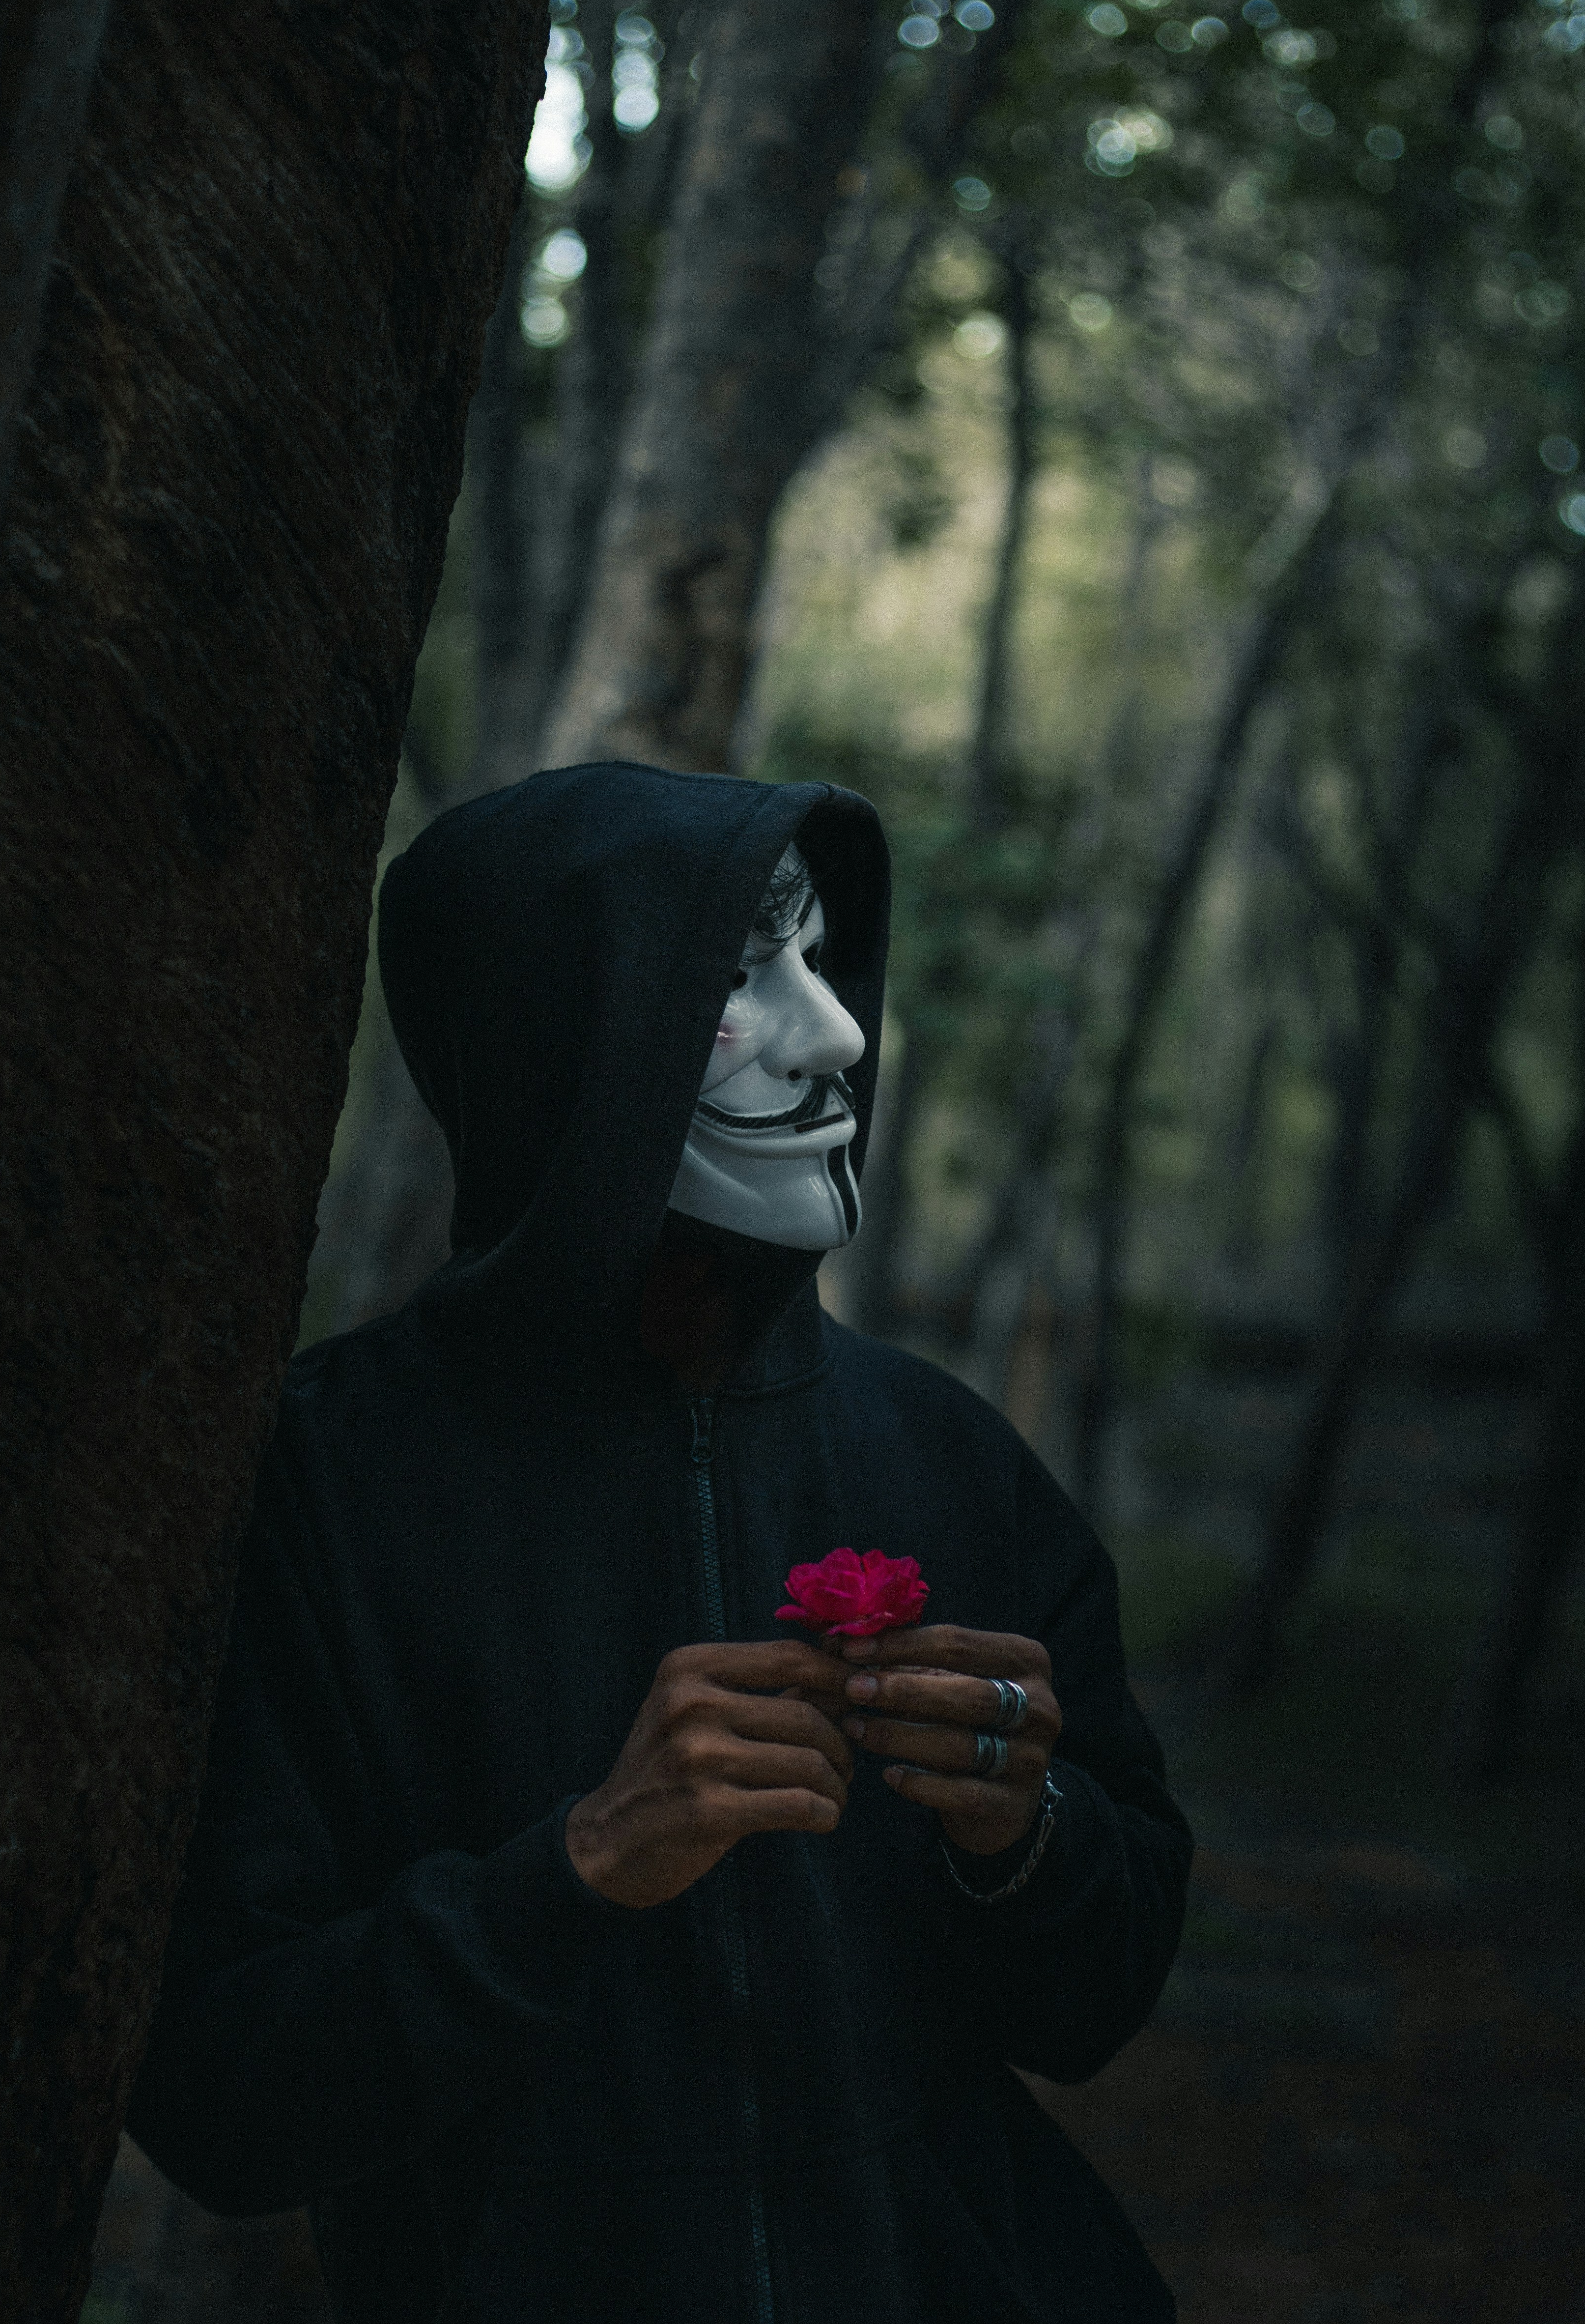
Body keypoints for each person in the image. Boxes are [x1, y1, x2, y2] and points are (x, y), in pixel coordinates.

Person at [127, 762, 1192, 2323]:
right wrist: (576, 1870)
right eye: (740, 978)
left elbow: (1097, 2006)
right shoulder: (316, 1488)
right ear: (560, 1036)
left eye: (821, 960)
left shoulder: (946, 1452)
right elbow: (225, 2102)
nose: (836, 1033)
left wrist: (1023, 1834)